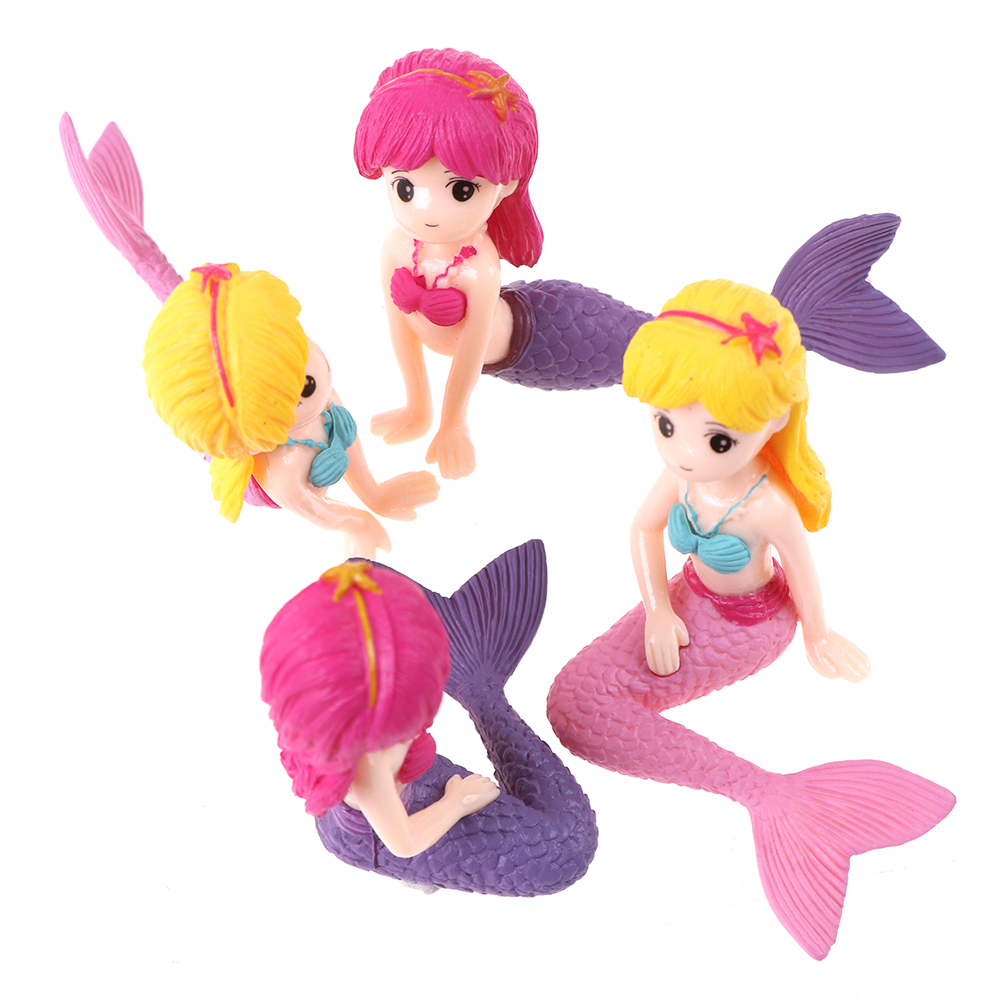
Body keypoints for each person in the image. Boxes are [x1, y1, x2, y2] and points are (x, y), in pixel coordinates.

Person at [547, 214, 953, 958]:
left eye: (717, 440)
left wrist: (819, 634)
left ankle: (771, 796)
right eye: (664, 425)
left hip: (748, 628)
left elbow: (802, 568)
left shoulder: (766, 505)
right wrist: (659, 609)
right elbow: (641, 531)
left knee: (585, 710)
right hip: (688, 600)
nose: (685, 453)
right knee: (573, 702)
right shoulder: (681, 475)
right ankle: (768, 794)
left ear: (773, 424)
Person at [61, 115, 436, 556]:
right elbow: (322, 513)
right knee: (160, 284)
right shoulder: (283, 470)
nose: (315, 372)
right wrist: (360, 522)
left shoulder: (306, 384)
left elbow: (340, 427)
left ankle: (128, 229)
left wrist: (375, 494)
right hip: (252, 454)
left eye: (299, 353)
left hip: (263, 403)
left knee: (157, 271)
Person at [355, 48, 652, 478]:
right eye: (404, 187)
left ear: (506, 184)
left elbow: (471, 350)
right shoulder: (396, 247)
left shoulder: (479, 267)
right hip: (501, 351)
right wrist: (418, 405)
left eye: (461, 190)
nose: (427, 210)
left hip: (536, 343)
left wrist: (454, 423)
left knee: (636, 349)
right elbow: (400, 326)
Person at [261, 542, 597, 895]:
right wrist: (457, 801)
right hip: (385, 831)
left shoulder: (344, 729)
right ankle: (410, 864)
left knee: (560, 840)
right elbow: (404, 842)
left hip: (390, 798)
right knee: (564, 849)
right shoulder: (369, 766)